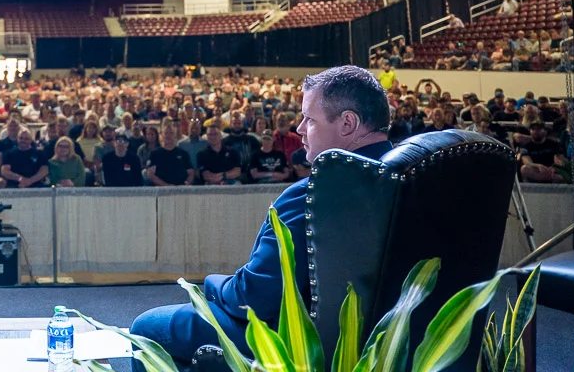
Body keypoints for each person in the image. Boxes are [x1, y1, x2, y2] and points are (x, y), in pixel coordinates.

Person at [130, 66, 393, 370]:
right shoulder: (407, 178)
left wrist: (214, 284)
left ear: (348, 123)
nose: (299, 129)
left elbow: (255, 298)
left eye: (309, 119)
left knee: (147, 327)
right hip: (385, 344)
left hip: (303, 346)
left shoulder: (314, 193)